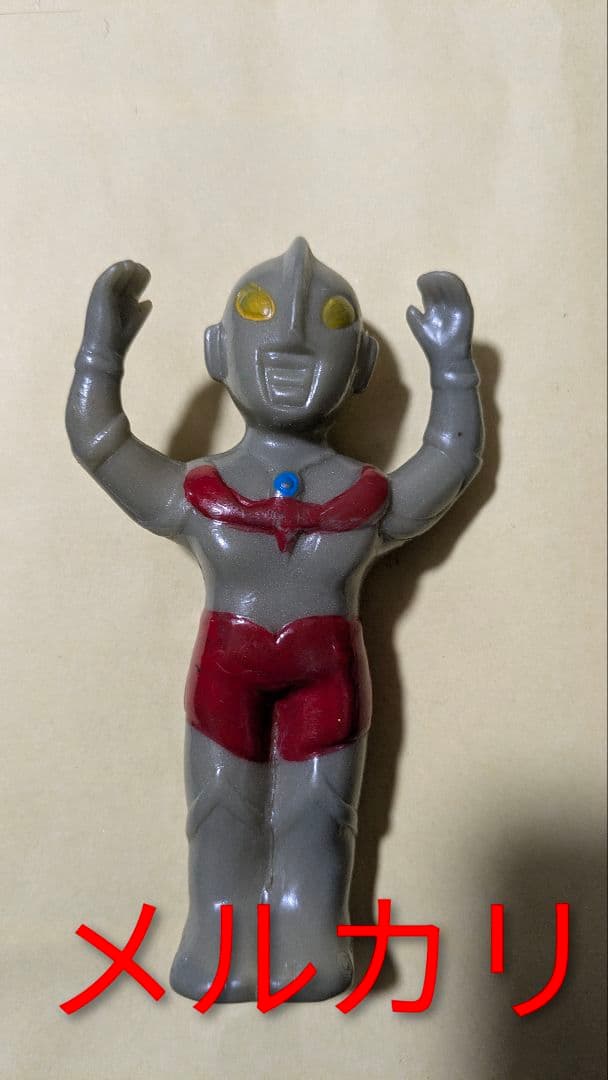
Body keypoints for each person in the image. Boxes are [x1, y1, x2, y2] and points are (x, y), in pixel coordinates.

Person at [66, 238, 483, 1001]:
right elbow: (101, 444)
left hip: (328, 676)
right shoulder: (197, 492)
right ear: (217, 351)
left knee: (320, 812)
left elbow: (450, 460)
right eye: (259, 312)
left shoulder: (368, 498)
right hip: (227, 673)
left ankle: (311, 937)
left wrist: (454, 368)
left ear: (360, 366)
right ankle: (220, 941)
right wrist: (101, 353)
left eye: (329, 319)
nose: (291, 337)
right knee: (220, 808)